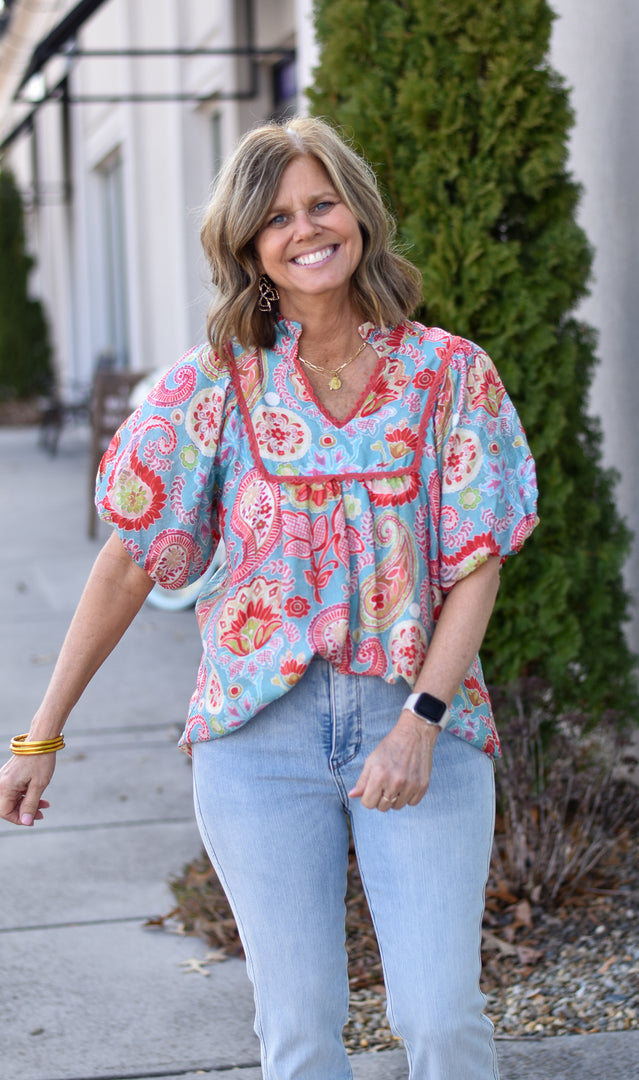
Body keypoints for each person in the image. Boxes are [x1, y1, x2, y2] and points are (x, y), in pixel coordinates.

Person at [0, 116, 538, 1080]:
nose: (306, 228)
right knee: (299, 1034)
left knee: (442, 1019)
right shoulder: (211, 390)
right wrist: (41, 733)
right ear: (250, 246)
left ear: (358, 214)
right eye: (278, 216)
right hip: (258, 742)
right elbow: (127, 564)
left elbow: (476, 561)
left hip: (419, 723)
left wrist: (419, 718)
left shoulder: (450, 374)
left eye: (322, 202)